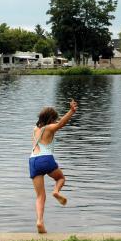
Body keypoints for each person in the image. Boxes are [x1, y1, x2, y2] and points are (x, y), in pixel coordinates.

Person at [29, 99, 78, 233]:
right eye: (54, 119)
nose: (55, 121)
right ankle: (56, 191)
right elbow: (61, 124)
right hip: (46, 159)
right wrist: (71, 111)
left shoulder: (34, 129)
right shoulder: (49, 128)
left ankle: (39, 221)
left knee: (40, 196)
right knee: (61, 178)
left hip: (33, 160)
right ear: (51, 119)